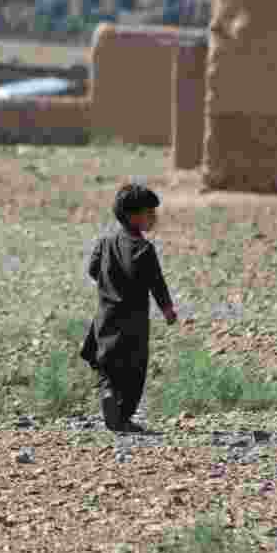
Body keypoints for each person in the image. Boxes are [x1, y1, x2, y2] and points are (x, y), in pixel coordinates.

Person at [80, 183, 177, 434]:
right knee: (134, 372)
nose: (154, 218)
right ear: (133, 217)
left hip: (105, 317)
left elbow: (93, 270)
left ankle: (108, 393)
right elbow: (157, 283)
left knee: (105, 363)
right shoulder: (144, 249)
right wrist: (167, 309)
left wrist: (109, 284)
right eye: (150, 213)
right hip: (133, 323)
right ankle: (122, 416)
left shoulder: (105, 243)